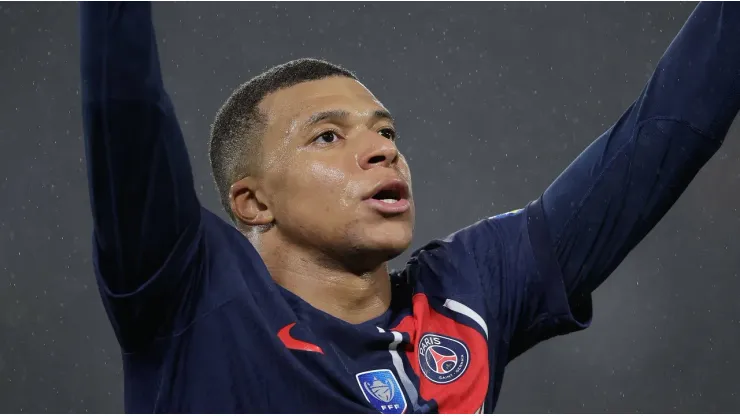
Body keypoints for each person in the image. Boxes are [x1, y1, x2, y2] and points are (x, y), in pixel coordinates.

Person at [80, 1, 740, 413]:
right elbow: (124, 106)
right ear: (252, 201)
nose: (382, 151)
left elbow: (663, 134)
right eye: (328, 136)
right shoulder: (194, 297)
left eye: (387, 132)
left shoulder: (469, 291)